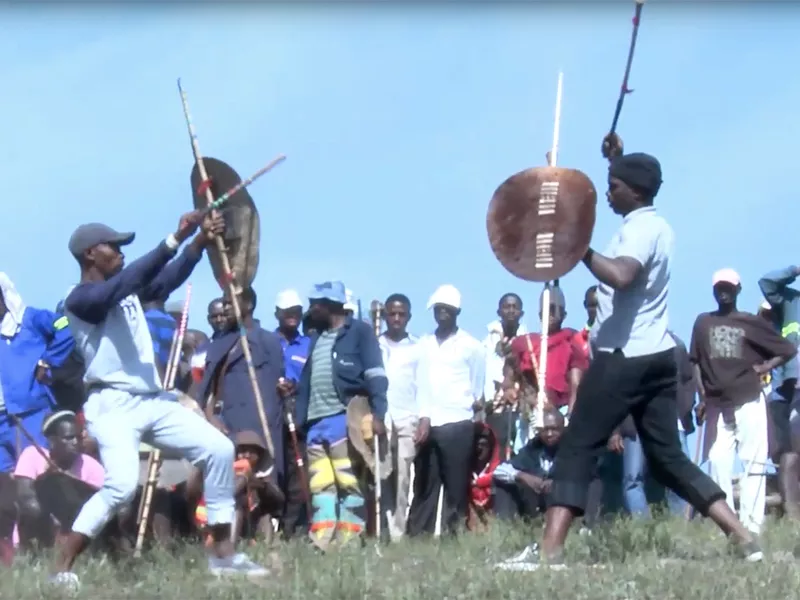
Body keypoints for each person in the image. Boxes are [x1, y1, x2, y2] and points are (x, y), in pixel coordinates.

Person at [497, 146, 763, 570]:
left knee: (577, 448)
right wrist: (614, 157)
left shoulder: (640, 232)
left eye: (614, 186)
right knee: (669, 459)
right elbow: (628, 182)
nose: (607, 193)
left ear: (635, 191)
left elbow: (622, 275)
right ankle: (743, 537)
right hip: (656, 356)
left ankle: (549, 554)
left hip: (624, 357)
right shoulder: (656, 225)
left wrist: (577, 248)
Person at [54, 212, 267, 589]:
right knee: (121, 487)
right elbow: (126, 283)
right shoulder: (81, 299)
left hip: (152, 400)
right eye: (113, 247)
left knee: (218, 449)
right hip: (113, 404)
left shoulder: (127, 291)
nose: (120, 252)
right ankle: (63, 566)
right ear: (90, 254)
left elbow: (166, 278)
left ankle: (223, 555)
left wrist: (197, 244)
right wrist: (174, 239)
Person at [692, 268, 796, 535]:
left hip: (748, 400)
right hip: (717, 403)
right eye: (719, 288)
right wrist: (702, 396)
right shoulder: (703, 323)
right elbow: (696, 363)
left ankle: (752, 525)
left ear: (738, 290)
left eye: (728, 287)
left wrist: (764, 367)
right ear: (713, 291)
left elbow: (787, 349)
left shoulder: (751, 322)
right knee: (717, 461)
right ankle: (726, 525)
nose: (723, 292)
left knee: (753, 462)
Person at [294, 281, 388, 551]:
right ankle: (322, 541)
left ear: (333, 305)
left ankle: (349, 542)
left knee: (349, 482)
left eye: (317, 304)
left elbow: (376, 375)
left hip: (343, 420)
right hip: (315, 424)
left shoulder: (360, 332)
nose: (312, 309)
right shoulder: (315, 338)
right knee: (321, 485)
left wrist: (378, 413)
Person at [0, 272, 75, 563]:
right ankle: (14, 554)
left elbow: (66, 324)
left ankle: (56, 552)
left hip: (28, 415)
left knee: (40, 484)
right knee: (6, 491)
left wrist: (48, 360)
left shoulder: (31, 319)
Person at [407, 284, 485, 537]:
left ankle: (454, 537)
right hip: (428, 423)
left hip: (458, 422)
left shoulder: (471, 346)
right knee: (425, 484)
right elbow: (417, 383)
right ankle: (419, 536)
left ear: (457, 312)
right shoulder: (423, 344)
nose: (442, 314)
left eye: (447, 310)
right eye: (439, 309)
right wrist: (423, 416)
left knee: (455, 485)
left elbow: (477, 386)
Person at [14, 411, 105, 549]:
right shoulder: (32, 455)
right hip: (39, 535)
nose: (75, 442)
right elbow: (26, 499)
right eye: (68, 438)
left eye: (78, 437)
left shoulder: (90, 465)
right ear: (52, 441)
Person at [757, 265, 800, 518]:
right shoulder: (791, 300)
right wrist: (796, 269)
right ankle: (791, 515)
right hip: (785, 384)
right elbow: (766, 282)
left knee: (795, 446)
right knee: (785, 451)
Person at [378, 293, 419, 539]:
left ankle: (399, 531)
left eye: (401, 314)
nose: (396, 318)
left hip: (407, 417)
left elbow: (423, 384)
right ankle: (383, 525)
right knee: (383, 474)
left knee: (404, 476)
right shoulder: (375, 344)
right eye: (391, 314)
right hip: (382, 418)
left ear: (409, 317)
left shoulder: (417, 347)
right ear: (384, 316)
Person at [273, 288, 311, 539]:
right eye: (288, 313)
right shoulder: (267, 340)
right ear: (277, 313)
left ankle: (294, 527)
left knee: (300, 470)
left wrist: (296, 386)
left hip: (297, 410)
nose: (293, 317)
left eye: (296, 312)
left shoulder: (307, 343)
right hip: (272, 410)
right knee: (277, 470)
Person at [482, 293, 526, 457]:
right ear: (499, 312)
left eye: (515, 307)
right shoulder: (486, 344)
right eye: (507, 307)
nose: (511, 311)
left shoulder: (529, 342)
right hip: (495, 408)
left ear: (521, 313)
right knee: (497, 452)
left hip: (520, 408)